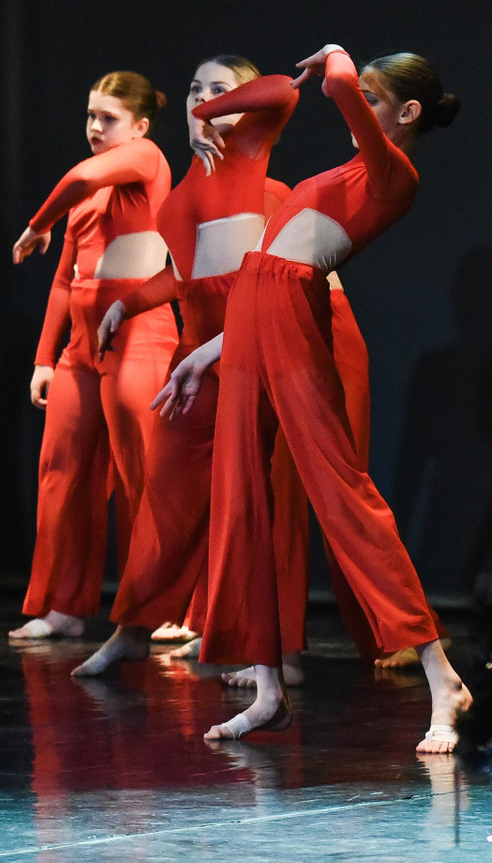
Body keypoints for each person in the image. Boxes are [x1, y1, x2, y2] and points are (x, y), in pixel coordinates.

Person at [155, 46, 469, 752]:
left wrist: (338, 62)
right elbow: (280, 96)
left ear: (407, 112)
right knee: (242, 497)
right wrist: (206, 353)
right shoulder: (351, 167)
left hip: (293, 316)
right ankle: (268, 690)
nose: (357, 106)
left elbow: (333, 87)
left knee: (340, 491)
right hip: (256, 312)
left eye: (374, 100)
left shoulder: (394, 173)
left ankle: (441, 674)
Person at [70, 57, 295, 676]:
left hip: (245, 353)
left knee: (245, 502)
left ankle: (259, 649)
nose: (202, 99)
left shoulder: (252, 156)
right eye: (196, 89)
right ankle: (133, 629)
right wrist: (128, 303)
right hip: (191, 356)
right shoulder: (193, 178)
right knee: (165, 497)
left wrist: (212, 112)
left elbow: (282, 90)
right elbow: (186, 272)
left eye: (220, 90)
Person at [9, 74, 178, 640]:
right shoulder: (85, 196)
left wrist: (37, 224)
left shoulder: (147, 160)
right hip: (81, 348)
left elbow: (81, 176)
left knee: (141, 476)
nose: (95, 127)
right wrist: (44, 358)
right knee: (61, 471)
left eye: (109, 118)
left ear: (140, 126)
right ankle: (62, 605)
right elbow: (64, 280)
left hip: (138, 335)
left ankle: (156, 607)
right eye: (90, 116)